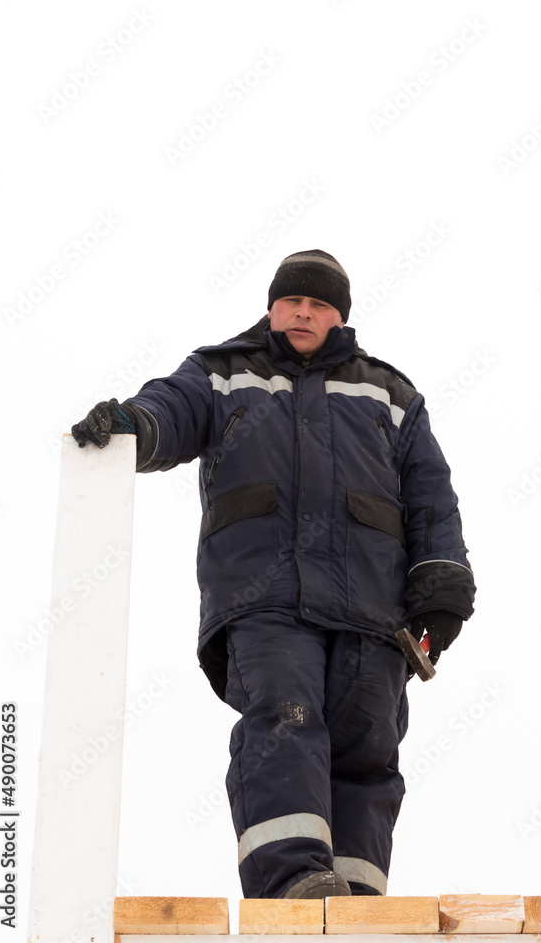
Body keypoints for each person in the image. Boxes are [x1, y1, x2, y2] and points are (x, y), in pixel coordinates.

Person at [71, 249, 476, 900]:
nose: (303, 312)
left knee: (368, 755)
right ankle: (293, 882)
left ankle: (356, 900)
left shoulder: (393, 395)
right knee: (286, 719)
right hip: (267, 603)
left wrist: (443, 591)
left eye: (318, 304)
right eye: (292, 301)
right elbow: (168, 410)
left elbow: (432, 500)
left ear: (339, 315)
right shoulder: (223, 373)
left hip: (373, 616)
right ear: (272, 305)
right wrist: (132, 426)